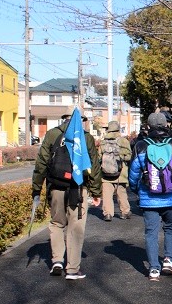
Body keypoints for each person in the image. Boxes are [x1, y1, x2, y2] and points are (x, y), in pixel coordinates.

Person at [31, 111, 102, 280]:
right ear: (80, 120)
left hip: (56, 186)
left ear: (63, 119)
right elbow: (93, 165)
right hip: (78, 188)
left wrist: (36, 188)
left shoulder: (52, 134)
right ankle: (72, 269)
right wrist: (96, 192)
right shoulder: (86, 137)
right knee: (75, 227)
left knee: (57, 223)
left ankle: (57, 261)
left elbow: (41, 163)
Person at [128, 111, 172, 280]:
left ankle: (154, 268)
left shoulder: (140, 145)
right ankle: (168, 260)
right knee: (170, 229)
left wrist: (137, 190)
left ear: (148, 126)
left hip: (149, 199)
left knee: (151, 232)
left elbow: (133, 174)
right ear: (165, 125)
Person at [100, 124, 134, 220]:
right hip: (120, 173)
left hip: (106, 173)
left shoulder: (103, 142)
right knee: (121, 193)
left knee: (107, 194)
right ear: (118, 129)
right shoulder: (123, 141)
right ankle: (125, 212)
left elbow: (99, 157)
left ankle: (108, 213)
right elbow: (129, 156)